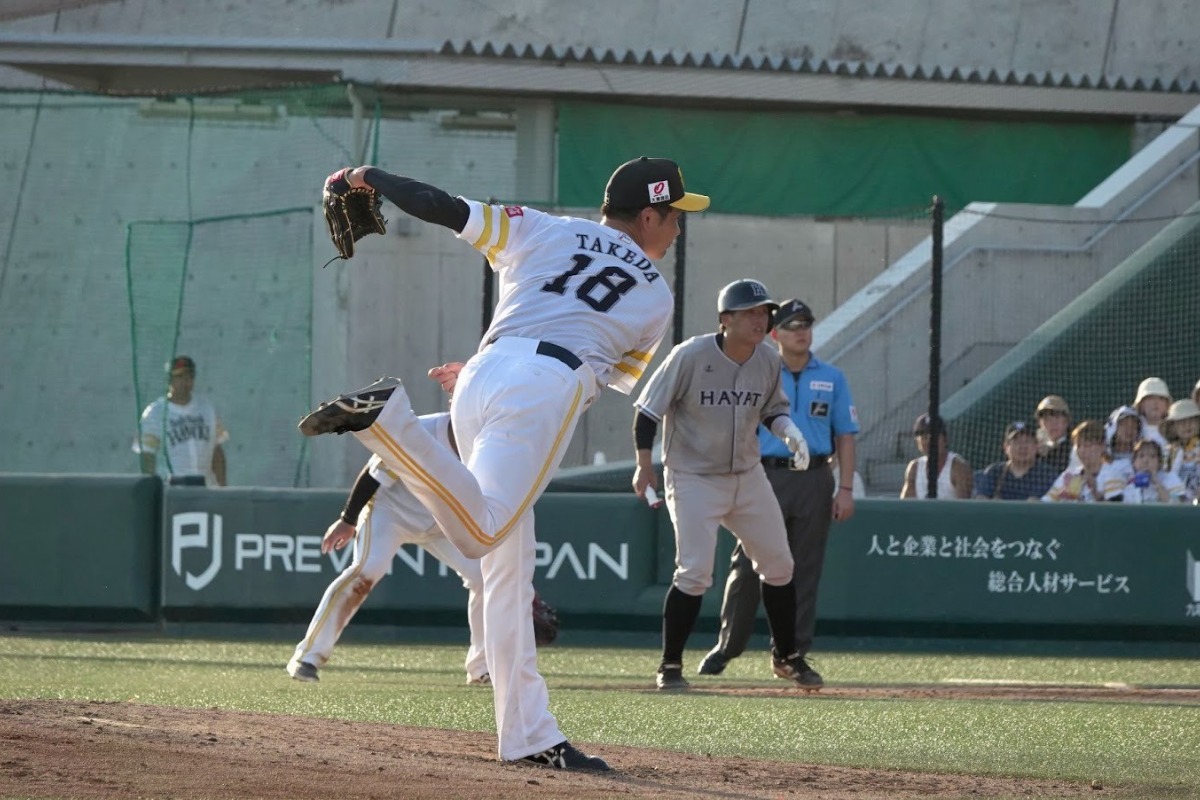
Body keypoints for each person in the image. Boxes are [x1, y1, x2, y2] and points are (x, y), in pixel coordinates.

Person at [297, 157, 711, 771]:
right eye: (674, 214)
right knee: (480, 532)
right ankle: (391, 427)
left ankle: (528, 736)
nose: (678, 226)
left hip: (483, 371)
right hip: (546, 384)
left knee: (505, 577)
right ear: (648, 215)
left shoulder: (545, 227)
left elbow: (444, 206)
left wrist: (372, 179)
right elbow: (599, 374)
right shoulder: (654, 292)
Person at [631, 279, 812, 691]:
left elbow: (772, 410)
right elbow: (647, 413)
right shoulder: (690, 355)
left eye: (764, 311)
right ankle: (670, 665)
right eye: (750, 312)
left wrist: (789, 432)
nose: (760, 318)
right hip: (693, 476)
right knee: (694, 572)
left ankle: (787, 657)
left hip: (747, 475)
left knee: (780, 565)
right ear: (725, 319)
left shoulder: (767, 359)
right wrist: (644, 466)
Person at [694, 297, 858, 689]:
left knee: (803, 567)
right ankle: (727, 645)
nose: (801, 331)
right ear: (775, 333)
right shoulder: (760, 368)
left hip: (815, 477)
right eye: (791, 324)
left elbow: (846, 436)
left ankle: (792, 653)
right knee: (747, 564)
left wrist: (846, 488)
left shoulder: (832, 377)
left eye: (806, 323)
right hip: (762, 474)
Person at [287, 411, 488, 687]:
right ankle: (307, 657)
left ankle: (481, 668)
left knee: (484, 576)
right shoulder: (421, 431)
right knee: (365, 572)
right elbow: (373, 474)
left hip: (442, 521)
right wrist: (348, 519)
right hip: (391, 512)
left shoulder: (489, 442)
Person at [133, 355, 228, 486]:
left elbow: (216, 451)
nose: (185, 382)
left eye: (189, 377)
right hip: (172, 489)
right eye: (180, 377)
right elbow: (147, 455)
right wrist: (151, 488)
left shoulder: (207, 409)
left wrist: (222, 485)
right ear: (169, 380)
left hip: (205, 488)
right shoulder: (155, 413)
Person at [972, 421, 1058, 501]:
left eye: (1027, 441)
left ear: (1036, 446)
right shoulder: (994, 472)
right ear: (1006, 447)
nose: (1022, 447)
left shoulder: (1045, 474)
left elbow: (1036, 504)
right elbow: (981, 499)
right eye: (1017, 442)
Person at [901, 413, 973, 499]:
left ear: (945, 439)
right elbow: (905, 505)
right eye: (924, 437)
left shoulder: (958, 467)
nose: (929, 442)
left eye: (934, 437)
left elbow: (964, 508)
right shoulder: (914, 468)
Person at [1099, 438, 1186, 503]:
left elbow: (1177, 505)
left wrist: (1156, 482)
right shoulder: (1125, 482)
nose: (1146, 460)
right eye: (1141, 456)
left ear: (1159, 462)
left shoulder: (1170, 478)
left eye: (1152, 456)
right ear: (1134, 462)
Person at [1041, 420, 1107, 503]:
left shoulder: (1114, 473)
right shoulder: (1069, 475)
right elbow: (1045, 503)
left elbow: (1118, 509)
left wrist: (1095, 490)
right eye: (1078, 446)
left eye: (1087, 445)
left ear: (1102, 446)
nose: (1082, 450)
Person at [1162, 399, 1200, 502]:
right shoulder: (1167, 452)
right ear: (1172, 427)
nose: (1187, 425)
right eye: (1181, 422)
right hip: (1174, 506)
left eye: (1191, 420)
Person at [1035, 395, 1073, 473]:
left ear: (1066, 421)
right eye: (1047, 419)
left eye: (1057, 418)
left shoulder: (1075, 446)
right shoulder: (1033, 450)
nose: (1052, 424)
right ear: (1040, 424)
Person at [1134, 377, 1172, 450]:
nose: (1155, 402)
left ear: (1167, 405)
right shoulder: (1133, 430)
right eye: (1150, 398)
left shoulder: (1175, 429)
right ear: (1140, 404)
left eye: (1161, 398)